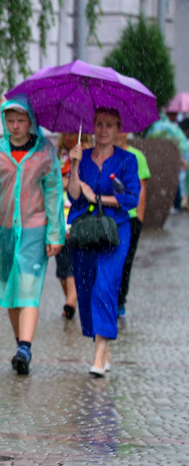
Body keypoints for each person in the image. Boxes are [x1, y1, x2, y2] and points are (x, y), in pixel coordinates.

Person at [0, 96, 64, 376]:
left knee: (28, 290)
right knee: (10, 292)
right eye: (10, 120)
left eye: (21, 120)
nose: (15, 125)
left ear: (31, 121)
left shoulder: (45, 152)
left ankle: (25, 347)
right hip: (4, 230)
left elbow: (54, 194)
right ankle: (21, 345)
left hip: (35, 228)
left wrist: (55, 234)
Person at [67, 107, 140, 377]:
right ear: (93, 126)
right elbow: (74, 196)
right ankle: (102, 344)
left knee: (105, 287)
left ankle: (99, 356)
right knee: (86, 288)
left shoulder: (127, 160)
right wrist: (75, 166)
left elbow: (130, 198)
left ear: (118, 128)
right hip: (86, 231)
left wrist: (97, 198)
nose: (103, 130)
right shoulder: (82, 156)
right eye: (99, 124)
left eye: (110, 125)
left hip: (115, 232)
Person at [54, 133, 92, 320]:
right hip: (58, 216)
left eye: (73, 134)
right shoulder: (57, 156)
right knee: (62, 266)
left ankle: (71, 301)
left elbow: (89, 183)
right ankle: (71, 300)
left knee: (73, 263)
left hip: (79, 215)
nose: (70, 138)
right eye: (67, 134)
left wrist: (71, 181)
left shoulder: (88, 155)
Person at [115, 131, 151, 320]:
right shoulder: (104, 155)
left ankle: (120, 300)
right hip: (109, 215)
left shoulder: (137, 156)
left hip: (130, 217)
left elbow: (142, 188)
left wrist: (139, 218)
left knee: (126, 260)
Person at [145, 109, 189, 212]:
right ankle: (178, 203)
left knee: (174, 181)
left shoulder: (159, 127)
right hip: (174, 157)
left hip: (167, 159)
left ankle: (177, 203)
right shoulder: (170, 128)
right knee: (177, 181)